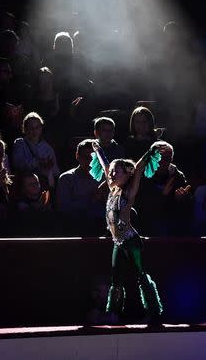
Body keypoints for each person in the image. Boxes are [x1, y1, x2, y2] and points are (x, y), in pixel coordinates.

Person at [100, 151, 163, 324]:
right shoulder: (112, 190)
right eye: (111, 172)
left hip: (131, 241)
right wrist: (98, 150)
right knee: (116, 280)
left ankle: (154, 312)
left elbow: (139, 166)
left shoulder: (128, 192)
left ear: (127, 175)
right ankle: (113, 313)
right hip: (117, 242)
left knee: (141, 275)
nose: (111, 174)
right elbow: (106, 167)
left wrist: (152, 149)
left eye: (116, 172)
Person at [56, 139, 105, 233]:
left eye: (93, 158)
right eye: (86, 157)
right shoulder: (67, 178)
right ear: (77, 156)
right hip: (76, 225)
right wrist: (91, 199)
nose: (90, 161)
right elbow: (63, 207)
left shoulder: (104, 178)